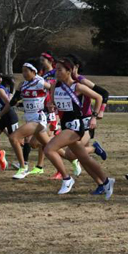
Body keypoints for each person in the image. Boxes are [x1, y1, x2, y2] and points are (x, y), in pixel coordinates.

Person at [43, 58, 113, 198]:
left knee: (49, 149)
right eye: (55, 69)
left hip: (76, 126)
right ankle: (106, 181)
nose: (56, 72)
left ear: (69, 71)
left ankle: (67, 179)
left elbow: (99, 97)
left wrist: (94, 116)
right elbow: (52, 103)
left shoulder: (78, 86)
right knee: (84, 158)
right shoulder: (54, 86)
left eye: (59, 70)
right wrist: (52, 106)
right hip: (65, 125)